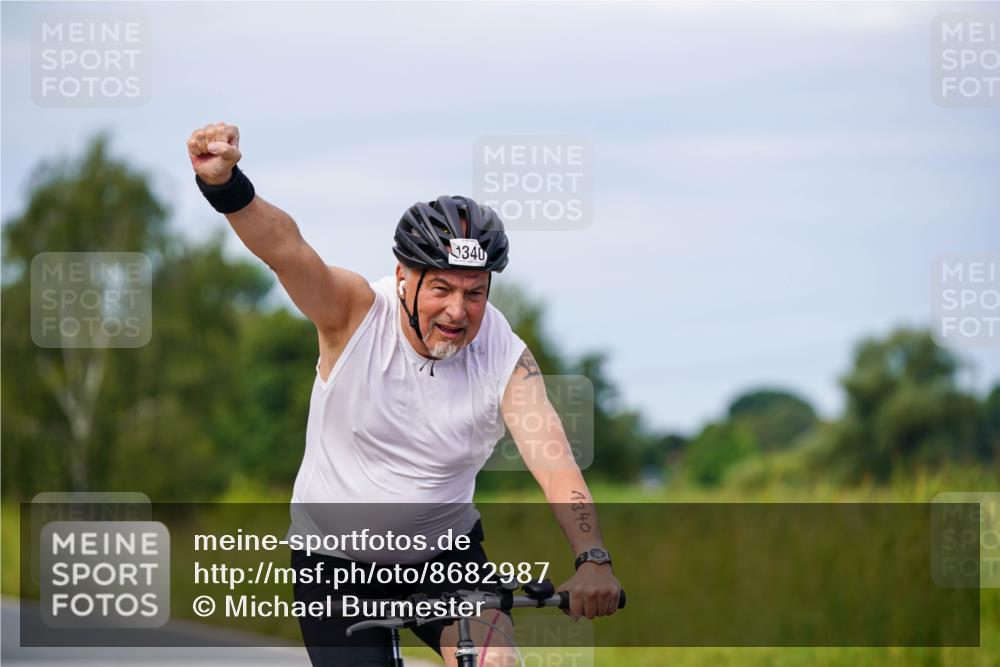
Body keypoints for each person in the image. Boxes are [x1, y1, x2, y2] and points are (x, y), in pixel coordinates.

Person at [187, 122, 621, 667]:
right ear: (403, 278)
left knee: (494, 661)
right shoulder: (352, 314)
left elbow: (554, 460)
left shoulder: (504, 353)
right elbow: (286, 250)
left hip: (446, 558)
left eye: (475, 292)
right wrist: (226, 186)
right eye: (440, 287)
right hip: (333, 561)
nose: (458, 312)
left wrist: (593, 557)